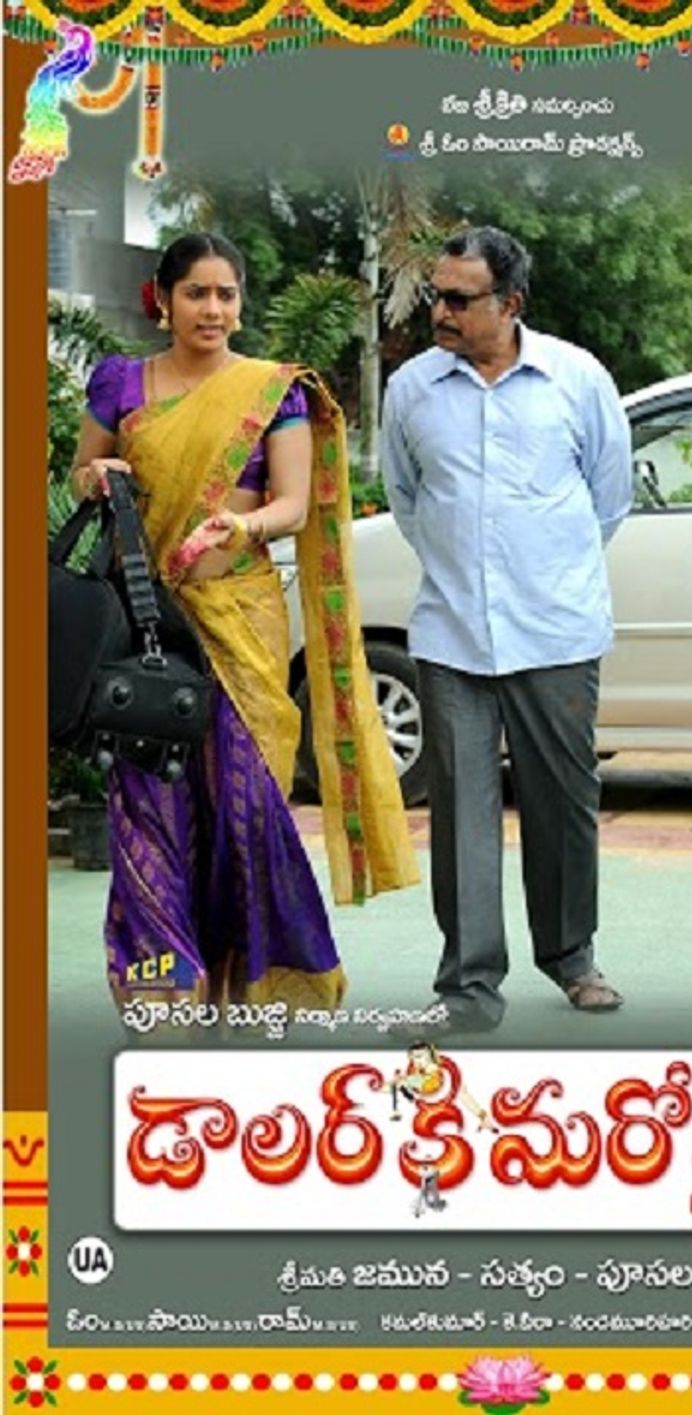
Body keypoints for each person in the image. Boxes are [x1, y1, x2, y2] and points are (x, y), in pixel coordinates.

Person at [69, 231, 418, 1012]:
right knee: (151, 808)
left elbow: (293, 504)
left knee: (245, 809)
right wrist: (96, 476)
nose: (213, 308)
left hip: (239, 623)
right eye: (197, 292)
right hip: (144, 626)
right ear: (164, 301)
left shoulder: (272, 391)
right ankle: (166, 992)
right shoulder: (120, 382)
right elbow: (81, 472)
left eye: (226, 294)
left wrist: (243, 526)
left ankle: (253, 991)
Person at [380, 226, 633, 1033]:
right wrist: (465, 569)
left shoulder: (577, 379)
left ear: (510, 302)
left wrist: (540, 570)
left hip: (556, 629)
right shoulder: (412, 389)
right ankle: (468, 985)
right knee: (461, 813)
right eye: (437, 295)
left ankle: (572, 957)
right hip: (452, 631)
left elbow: (609, 498)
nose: (441, 312)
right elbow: (408, 498)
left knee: (562, 801)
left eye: (460, 299)